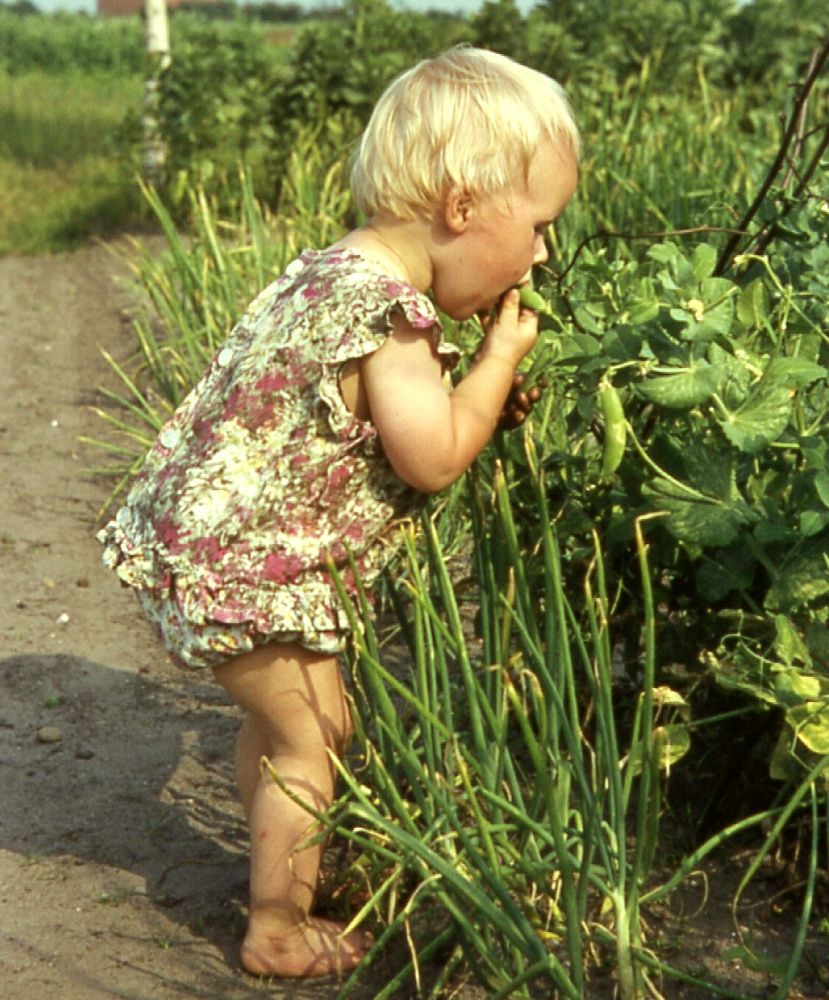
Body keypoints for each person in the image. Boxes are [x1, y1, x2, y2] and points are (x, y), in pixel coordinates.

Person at [99, 44, 580, 980]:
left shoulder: (332, 271)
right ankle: (277, 926)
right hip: (252, 571)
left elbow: (391, 417)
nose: (543, 253)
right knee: (311, 739)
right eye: (540, 226)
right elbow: (433, 458)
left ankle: (283, 866)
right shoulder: (396, 319)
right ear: (462, 207)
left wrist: (470, 393)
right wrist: (495, 366)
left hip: (203, 547)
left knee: (296, 731)